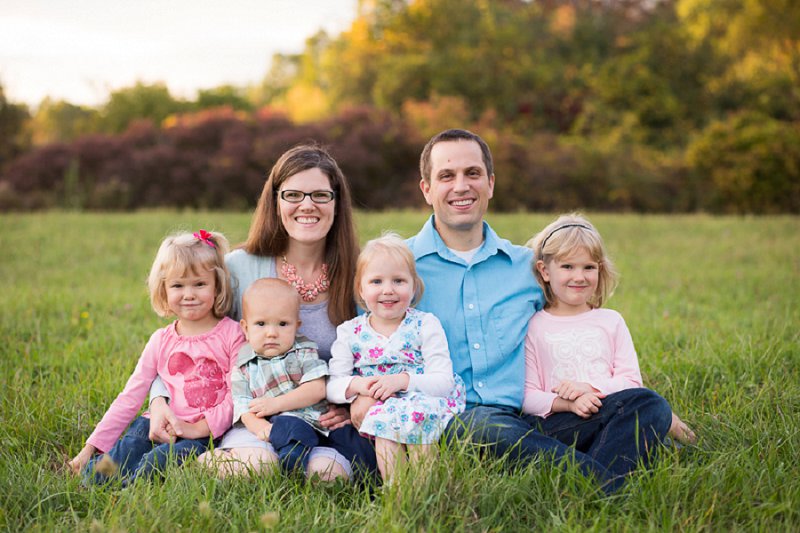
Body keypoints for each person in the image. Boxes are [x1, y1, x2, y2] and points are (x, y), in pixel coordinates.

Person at [400, 128, 673, 492]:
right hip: (457, 420)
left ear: (491, 183)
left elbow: (574, 328)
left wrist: (646, 410)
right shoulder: (398, 270)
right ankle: (605, 486)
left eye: (473, 173)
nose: (461, 186)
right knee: (485, 426)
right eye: (447, 176)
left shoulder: (526, 268)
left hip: (538, 418)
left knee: (648, 405)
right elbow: (365, 341)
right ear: (427, 189)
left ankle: (584, 476)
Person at [148, 144, 376, 480]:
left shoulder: (361, 272)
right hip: (253, 422)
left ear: (337, 202)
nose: (307, 205)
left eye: (320, 195)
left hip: (321, 424)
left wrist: (352, 401)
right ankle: (195, 467)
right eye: (293, 194)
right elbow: (186, 342)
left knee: (328, 473)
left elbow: (385, 351)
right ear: (275, 202)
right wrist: (158, 401)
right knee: (258, 466)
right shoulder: (240, 268)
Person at [522, 213, 696, 475]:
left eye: (588, 267)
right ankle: (611, 475)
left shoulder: (610, 321)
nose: (579, 276)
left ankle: (592, 472)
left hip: (609, 414)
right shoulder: (534, 325)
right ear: (545, 271)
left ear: (600, 269)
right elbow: (527, 398)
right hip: (561, 425)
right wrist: (569, 403)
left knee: (649, 403)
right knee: (655, 409)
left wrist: (588, 388)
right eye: (567, 267)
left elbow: (631, 382)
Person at [67, 230, 244, 485]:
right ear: (163, 290)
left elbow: (237, 395)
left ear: (217, 285)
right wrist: (89, 448)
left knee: (152, 467)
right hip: (152, 426)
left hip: (199, 435)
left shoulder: (232, 334)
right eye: (177, 285)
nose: (189, 294)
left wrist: (198, 428)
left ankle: (130, 501)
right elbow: (130, 397)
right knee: (101, 474)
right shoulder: (161, 340)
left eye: (199, 284)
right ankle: (97, 469)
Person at [327, 233, 465, 482]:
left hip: (421, 400)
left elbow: (443, 381)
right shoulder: (350, 331)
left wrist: (401, 380)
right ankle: (398, 496)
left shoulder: (425, 324)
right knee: (386, 432)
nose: (388, 290)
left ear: (413, 287)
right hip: (379, 408)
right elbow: (334, 385)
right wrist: (359, 386)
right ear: (361, 288)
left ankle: (427, 493)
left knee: (419, 430)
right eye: (376, 281)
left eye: (399, 281)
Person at [211, 277, 371, 477]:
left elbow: (316, 389)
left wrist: (276, 405)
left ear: (297, 326)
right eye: (260, 324)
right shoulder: (243, 366)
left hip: (309, 423)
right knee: (259, 457)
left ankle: (369, 475)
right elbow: (243, 407)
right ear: (245, 328)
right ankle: (284, 458)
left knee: (341, 447)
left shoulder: (304, 351)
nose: (271, 333)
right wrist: (265, 430)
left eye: (283, 324)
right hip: (267, 429)